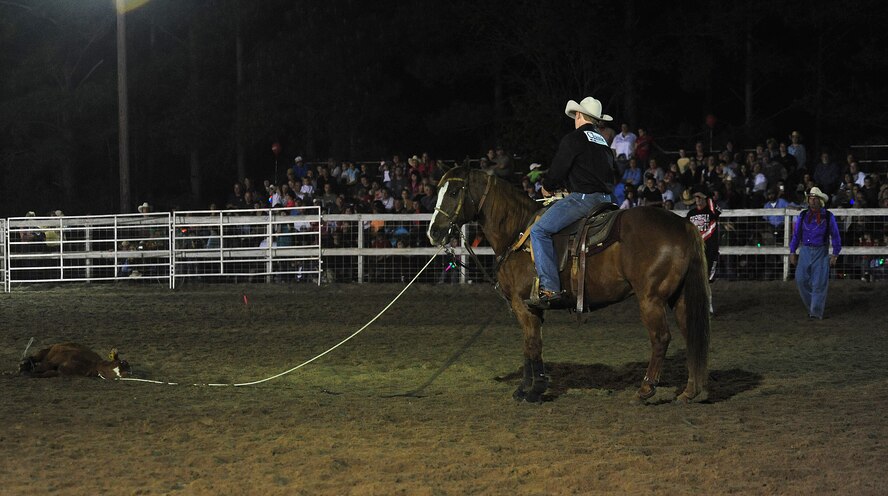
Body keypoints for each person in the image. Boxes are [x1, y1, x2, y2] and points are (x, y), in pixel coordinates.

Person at [527, 96, 615, 309]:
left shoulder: (574, 139)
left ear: (578, 114)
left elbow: (558, 169)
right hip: (607, 200)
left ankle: (550, 288)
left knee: (538, 231)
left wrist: (547, 187)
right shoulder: (603, 141)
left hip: (584, 199)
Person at [789, 187, 842, 319]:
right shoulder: (802, 215)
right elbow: (796, 235)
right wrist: (792, 251)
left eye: (815, 199)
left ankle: (815, 312)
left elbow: (835, 235)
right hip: (805, 250)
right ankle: (812, 307)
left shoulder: (828, 217)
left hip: (821, 251)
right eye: (810, 199)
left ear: (820, 201)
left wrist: (835, 253)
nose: (812, 202)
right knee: (801, 279)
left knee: (819, 283)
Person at [686, 186, 721, 284]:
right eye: (696, 198)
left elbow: (718, 211)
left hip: (710, 246)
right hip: (695, 246)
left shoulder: (711, 211)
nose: (698, 200)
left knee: (709, 277)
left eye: (700, 198)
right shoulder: (691, 213)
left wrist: (707, 196)